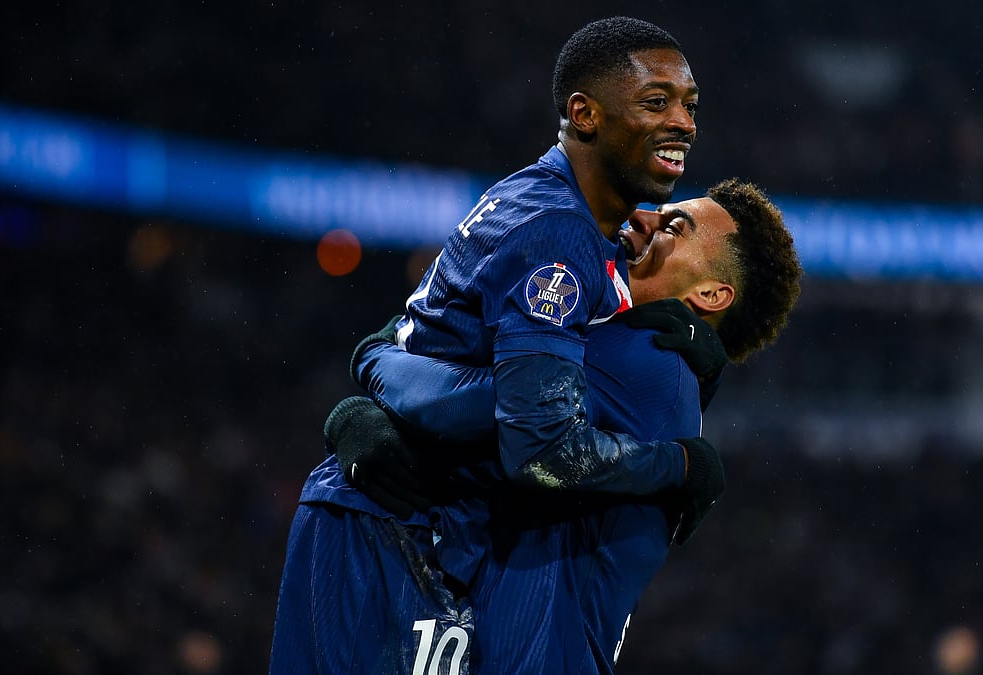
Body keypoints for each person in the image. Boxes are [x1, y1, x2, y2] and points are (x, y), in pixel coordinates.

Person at [269, 180, 803, 673]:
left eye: (671, 227)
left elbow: (462, 404)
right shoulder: (654, 356)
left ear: (710, 296)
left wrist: (373, 360)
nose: (640, 219)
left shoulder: (646, 358)